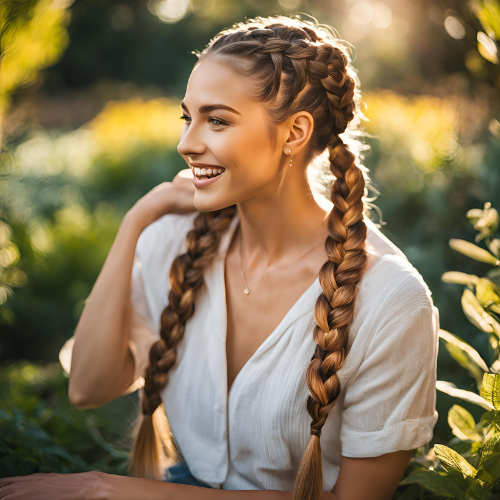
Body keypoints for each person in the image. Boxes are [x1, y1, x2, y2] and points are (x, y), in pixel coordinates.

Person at [0, 14, 440, 500]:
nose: (186, 144)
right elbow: (88, 387)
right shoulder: (172, 239)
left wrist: (106, 490)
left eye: (217, 120)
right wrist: (134, 224)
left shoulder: (392, 300)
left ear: (295, 132)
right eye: (188, 117)